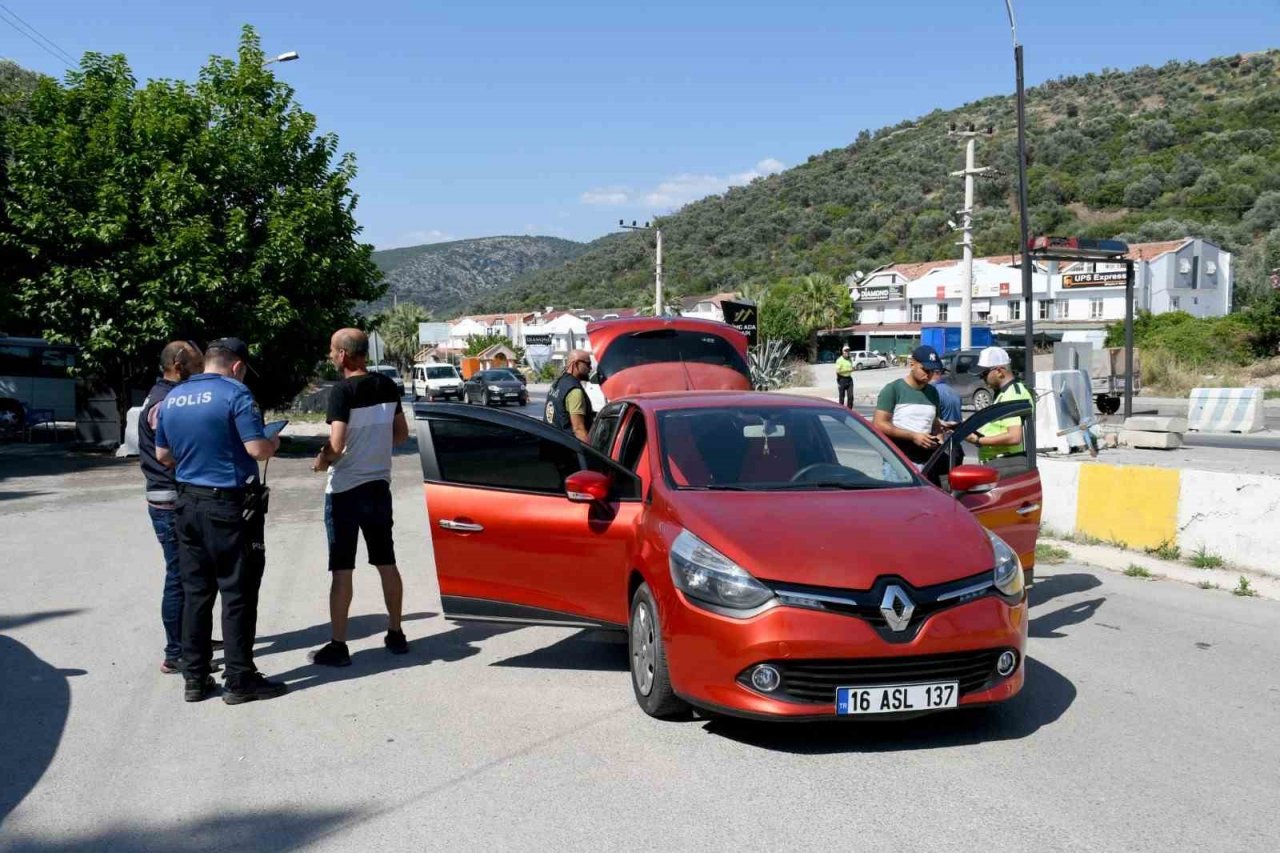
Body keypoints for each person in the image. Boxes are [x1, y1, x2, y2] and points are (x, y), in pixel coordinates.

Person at [155, 338, 286, 704]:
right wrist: (272, 441)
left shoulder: (174, 398)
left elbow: (164, 455)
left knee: (197, 593)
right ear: (237, 366)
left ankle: (195, 679)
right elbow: (257, 449)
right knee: (238, 593)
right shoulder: (236, 394)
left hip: (187, 504)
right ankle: (240, 680)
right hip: (228, 508)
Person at [309, 329, 411, 667]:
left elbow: (336, 445)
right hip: (378, 487)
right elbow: (401, 434)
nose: (329, 356)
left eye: (331, 351)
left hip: (345, 492)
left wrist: (322, 459)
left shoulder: (341, 391)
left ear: (343, 355)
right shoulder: (386, 385)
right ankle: (396, 633)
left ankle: (338, 646)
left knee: (342, 570)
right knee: (386, 562)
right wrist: (374, 448)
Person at [139, 340, 206, 675]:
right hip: (170, 498)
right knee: (179, 575)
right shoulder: (166, 402)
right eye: (196, 364)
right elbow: (174, 452)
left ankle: (191, 638)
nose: (202, 371)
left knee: (192, 573)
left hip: (169, 495)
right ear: (179, 364)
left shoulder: (165, 396)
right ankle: (175, 651)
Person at [873, 345, 944, 466]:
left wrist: (940, 441)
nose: (929, 374)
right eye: (925, 369)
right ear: (912, 364)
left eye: (932, 371)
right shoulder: (893, 389)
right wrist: (913, 436)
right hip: (899, 462)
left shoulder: (933, 392)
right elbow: (879, 424)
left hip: (926, 461)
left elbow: (935, 424)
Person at [965, 346, 1035, 462]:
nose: (982, 378)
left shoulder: (1013, 394)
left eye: (984, 374)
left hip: (1006, 464)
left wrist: (977, 440)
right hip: (998, 464)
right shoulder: (1005, 392)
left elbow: (1014, 437)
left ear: (999, 371)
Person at [545, 349, 594, 443]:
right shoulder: (574, 391)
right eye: (588, 364)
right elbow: (579, 430)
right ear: (576, 364)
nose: (590, 368)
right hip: (566, 449)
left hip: (551, 442)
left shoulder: (559, 382)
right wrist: (592, 455)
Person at [834, 345, 855, 410]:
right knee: (842, 397)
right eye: (845, 351)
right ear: (842, 352)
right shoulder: (839, 360)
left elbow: (852, 367)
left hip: (849, 379)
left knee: (851, 397)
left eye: (848, 351)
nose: (847, 352)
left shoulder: (850, 359)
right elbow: (838, 371)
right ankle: (841, 411)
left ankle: (849, 411)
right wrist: (848, 370)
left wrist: (853, 369)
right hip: (841, 379)